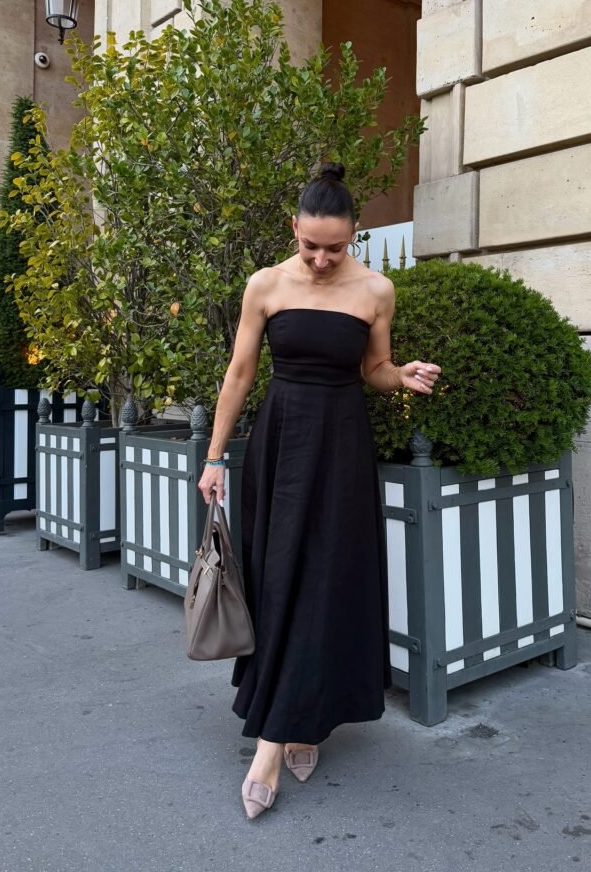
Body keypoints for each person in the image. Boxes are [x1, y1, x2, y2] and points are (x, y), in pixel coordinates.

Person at [197, 162, 440, 819]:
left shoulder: (376, 290)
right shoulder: (266, 284)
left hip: (342, 449)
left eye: (335, 247)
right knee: (281, 580)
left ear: (354, 233)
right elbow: (240, 373)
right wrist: (215, 456)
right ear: (294, 229)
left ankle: (292, 729)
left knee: (328, 582)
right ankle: (281, 735)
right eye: (310, 246)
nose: (322, 259)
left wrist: (400, 375)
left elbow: (373, 369)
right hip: (281, 445)